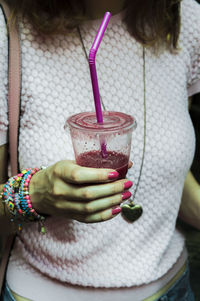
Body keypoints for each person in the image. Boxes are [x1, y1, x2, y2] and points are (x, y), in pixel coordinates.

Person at [0, 0, 200, 300]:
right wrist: (36, 194)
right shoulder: (8, 28)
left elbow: (169, 168)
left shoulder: (183, 18)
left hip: (173, 287)